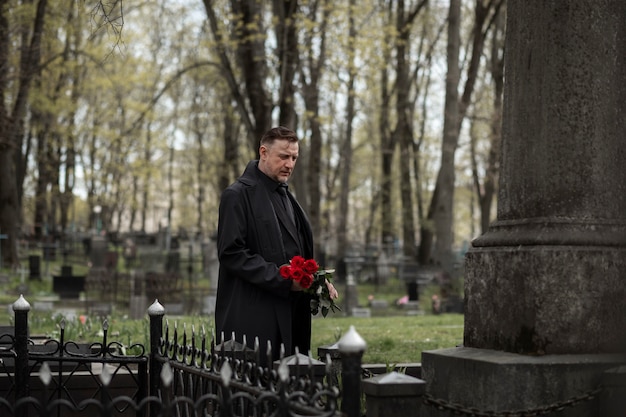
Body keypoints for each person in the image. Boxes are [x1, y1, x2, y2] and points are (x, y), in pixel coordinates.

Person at [215, 126, 338, 365]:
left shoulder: (286, 196)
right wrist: (284, 280)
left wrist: (317, 280)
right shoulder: (237, 195)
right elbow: (232, 253)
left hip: (292, 313)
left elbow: (295, 251)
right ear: (263, 152)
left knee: (291, 386)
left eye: (294, 158)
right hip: (254, 315)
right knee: (257, 391)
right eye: (283, 156)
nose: (290, 164)